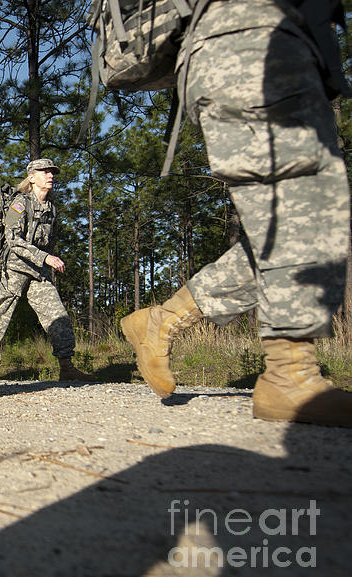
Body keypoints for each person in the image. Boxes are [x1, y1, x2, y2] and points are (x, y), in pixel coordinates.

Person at [121, 0, 352, 427]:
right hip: (247, 37)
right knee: (295, 209)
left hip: (281, 41)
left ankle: (163, 320)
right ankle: (289, 374)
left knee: (307, 219)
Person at [0, 159, 93, 382]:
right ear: (32, 177)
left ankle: (66, 366)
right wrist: (46, 258)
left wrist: (45, 260)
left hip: (37, 270)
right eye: (44, 172)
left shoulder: (51, 208)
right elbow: (13, 240)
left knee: (56, 314)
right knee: (1, 312)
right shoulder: (19, 203)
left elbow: (49, 241)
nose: (50, 175)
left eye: (52, 172)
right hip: (13, 267)